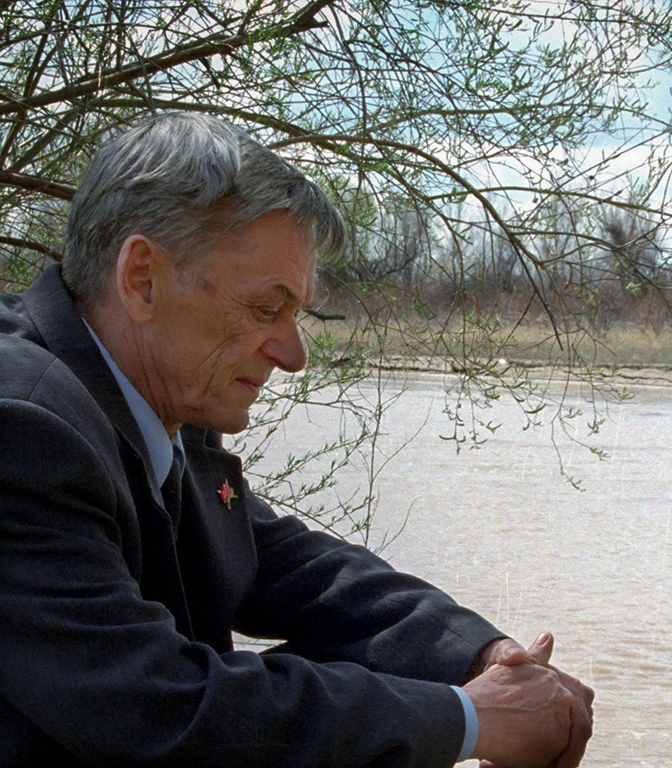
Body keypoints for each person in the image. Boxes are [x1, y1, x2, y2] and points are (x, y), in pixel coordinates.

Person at [0, 112, 593, 767]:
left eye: (295, 314)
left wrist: (482, 656)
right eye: (265, 309)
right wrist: (472, 720)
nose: (293, 353)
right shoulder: (21, 424)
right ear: (142, 277)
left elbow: (282, 563)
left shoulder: (161, 399)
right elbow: (157, 709)